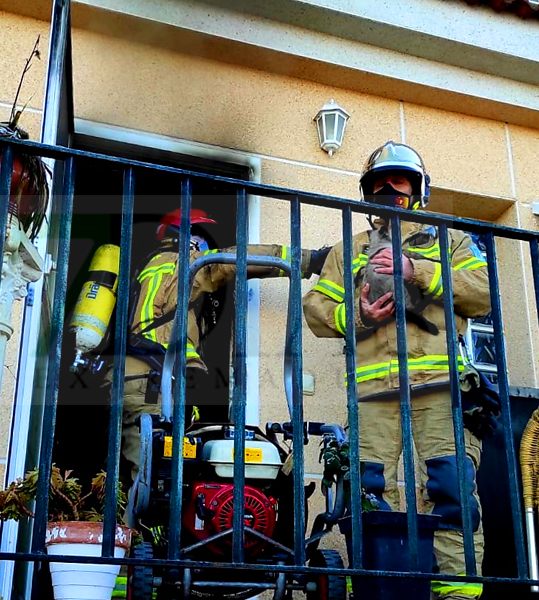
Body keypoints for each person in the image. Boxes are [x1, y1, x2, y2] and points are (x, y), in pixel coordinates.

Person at [302, 142, 491, 600]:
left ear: (418, 190)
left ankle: (457, 591)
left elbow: (482, 293)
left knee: (449, 485)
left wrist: (417, 269)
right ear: (368, 194)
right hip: (371, 392)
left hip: (441, 387)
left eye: (399, 181)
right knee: (365, 488)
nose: (389, 189)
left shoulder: (451, 240)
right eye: (379, 183)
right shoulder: (349, 250)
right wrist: (360, 314)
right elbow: (316, 309)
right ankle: (375, 585)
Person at [113, 208, 329, 487]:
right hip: (151, 380)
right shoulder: (180, 263)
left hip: (128, 378)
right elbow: (233, 261)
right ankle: (147, 531)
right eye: (202, 238)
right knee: (154, 479)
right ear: (188, 237)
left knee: (142, 466)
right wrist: (310, 260)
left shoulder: (144, 269)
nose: (206, 247)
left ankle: (136, 527)